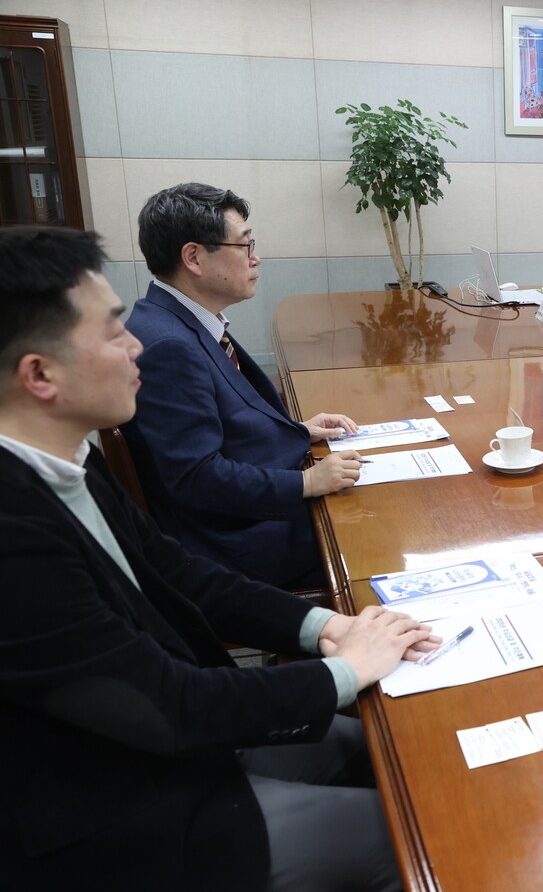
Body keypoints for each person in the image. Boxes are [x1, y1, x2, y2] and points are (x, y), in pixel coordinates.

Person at [0, 225, 439, 891]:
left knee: (401, 756)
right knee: (424, 836)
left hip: (174, 741)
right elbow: (161, 705)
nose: (137, 344)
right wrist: (347, 670)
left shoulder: (67, 456)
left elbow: (177, 570)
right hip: (125, 815)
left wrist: (324, 628)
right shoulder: (12, 531)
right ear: (40, 374)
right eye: (115, 332)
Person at [124, 182, 364, 590]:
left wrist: (298, 430)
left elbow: (223, 421)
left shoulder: (178, 319)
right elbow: (197, 477)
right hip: (235, 544)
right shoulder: (167, 347)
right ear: (194, 257)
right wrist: (306, 482)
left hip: (246, 518)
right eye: (245, 247)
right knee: (381, 523)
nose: (257, 259)